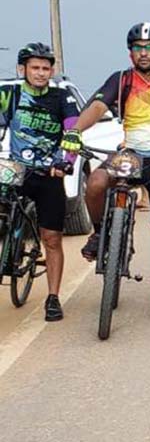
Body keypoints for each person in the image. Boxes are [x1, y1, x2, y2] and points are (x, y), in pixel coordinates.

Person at [61, 23, 150, 318]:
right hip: (130, 155)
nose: (144, 53)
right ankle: (100, 234)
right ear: (130, 53)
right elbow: (97, 107)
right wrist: (76, 132)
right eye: (138, 48)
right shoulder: (121, 80)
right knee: (96, 181)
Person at [0, 43, 78, 321]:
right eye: (35, 67)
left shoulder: (62, 97)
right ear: (22, 69)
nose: (41, 73)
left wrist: (65, 160)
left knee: (52, 238)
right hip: (16, 169)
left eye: (46, 68)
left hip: (49, 173)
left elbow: (73, 131)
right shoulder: (9, 93)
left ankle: (53, 298)